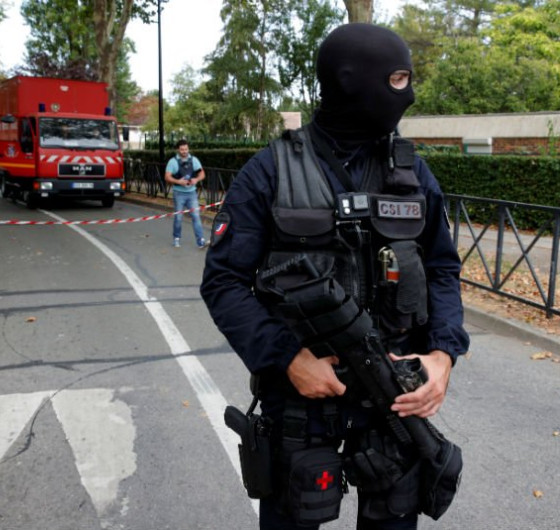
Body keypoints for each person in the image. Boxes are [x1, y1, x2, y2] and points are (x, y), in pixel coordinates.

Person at [200, 23, 470, 530]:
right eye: (396, 80)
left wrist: (441, 356)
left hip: (394, 399)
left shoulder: (413, 173)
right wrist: (286, 359)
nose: (407, 94)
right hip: (300, 401)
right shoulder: (270, 171)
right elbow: (224, 282)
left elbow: (441, 268)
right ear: (350, 81)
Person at [164, 139, 206, 248]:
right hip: (179, 193)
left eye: (186, 149)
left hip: (192, 193)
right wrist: (179, 182)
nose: (184, 151)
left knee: (196, 216)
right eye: (182, 149)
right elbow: (167, 176)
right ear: (178, 150)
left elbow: (202, 173)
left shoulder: (194, 160)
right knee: (178, 217)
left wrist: (196, 180)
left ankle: (200, 240)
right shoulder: (173, 162)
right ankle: (176, 238)